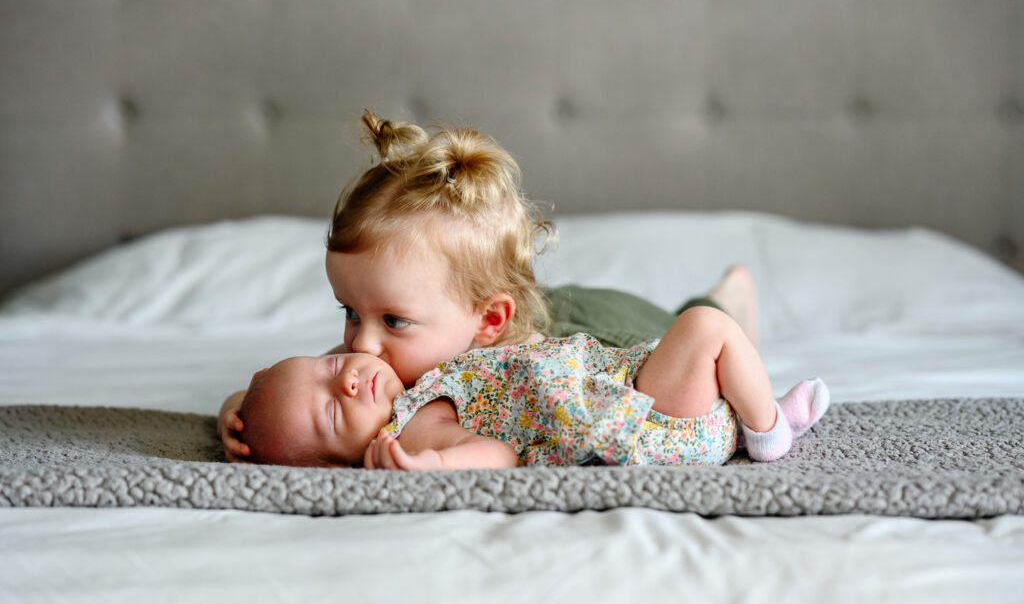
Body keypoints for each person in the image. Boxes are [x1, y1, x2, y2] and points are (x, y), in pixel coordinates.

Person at [218, 109, 761, 462]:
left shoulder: (421, 349)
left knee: (693, 337)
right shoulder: (374, 357)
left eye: (392, 320)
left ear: (488, 320)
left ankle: (725, 296)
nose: (360, 344)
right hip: (508, 313)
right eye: (350, 311)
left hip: (602, 330)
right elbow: (304, 391)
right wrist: (244, 410)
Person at [236, 308, 829, 470]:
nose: (347, 376)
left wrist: (235, 411)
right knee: (708, 327)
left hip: (628, 392)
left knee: (704, 338)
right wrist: (439, 467)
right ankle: (770, 432)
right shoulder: (409, 430)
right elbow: (500, 454)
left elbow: (282, 409)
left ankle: (756, 417)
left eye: (327, 365)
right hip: (649, 425)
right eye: (333, 413)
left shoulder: (405, 383)